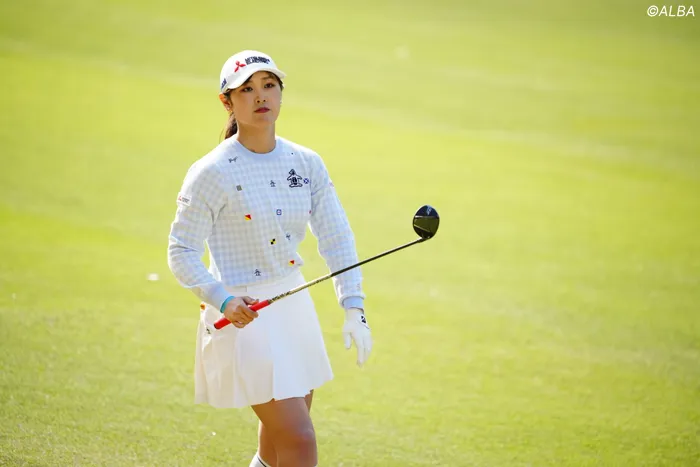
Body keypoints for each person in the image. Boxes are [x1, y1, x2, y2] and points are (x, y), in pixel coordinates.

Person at [167, 50, 372, 467]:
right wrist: (223, 299)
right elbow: (181, 250)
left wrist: (354, 306)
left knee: (277, 444)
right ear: (227, 101)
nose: (260, 96)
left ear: (280, 92)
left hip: (292, 303)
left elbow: (336, 237)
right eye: (246, 89)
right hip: (241, 313)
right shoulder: (211, 172)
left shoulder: (306, 162)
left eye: (268, 85)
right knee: (299, 438)